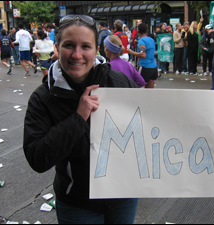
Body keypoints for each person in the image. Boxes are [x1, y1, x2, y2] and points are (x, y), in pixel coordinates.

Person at [23, 14, 142, 224]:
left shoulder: (118, 81)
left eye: (85, 46)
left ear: (96, 49)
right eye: (69, 45)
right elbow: (37, 158)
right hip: (78, 205)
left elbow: (155, 126)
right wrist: (78, 117)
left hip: (124, 197)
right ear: (57, 47)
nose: (77, 55)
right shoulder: (43, 98)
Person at [127, 23, 158, 88]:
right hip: (154, 68)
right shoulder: (151, 39)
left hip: (145, 67)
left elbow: (143, 54)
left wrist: (131, 52)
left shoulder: (141, 41)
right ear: (147, 31)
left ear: (138, 31)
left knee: (136, 87)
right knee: (149, 92)